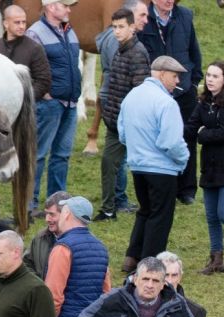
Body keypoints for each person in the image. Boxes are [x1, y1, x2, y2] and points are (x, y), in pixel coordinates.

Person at [118, 56, 190, 273]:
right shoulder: (166, 103)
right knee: (160, 217)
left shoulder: (131, 97)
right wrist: (184, 157)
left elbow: (122, 134)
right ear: (161, 74)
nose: (177, 81)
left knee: (145, 211)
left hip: (137, 166)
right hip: (162, 169)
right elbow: (171, 142)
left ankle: (132, 256)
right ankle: (149, 265)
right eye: (174, 76)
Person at [185, 60, 224, 275]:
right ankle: (216, 259)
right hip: (210, 166)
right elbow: (191, 128)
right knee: (212, 216)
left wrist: (204, 134)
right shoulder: (204, 103)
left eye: (215, 76)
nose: (210, 80)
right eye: (208, 75)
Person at [138, 0, 203, 204]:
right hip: (155, 90)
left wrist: (194, 81)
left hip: (183, 89)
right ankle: (162, 184)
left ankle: (187, 189)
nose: (168, 1)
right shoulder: (143, 17)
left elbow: (194, 49)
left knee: (187, 136)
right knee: (157, 137)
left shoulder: (184, 15)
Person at [26, 0, 81, 216]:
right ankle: (30, 203)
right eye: (65, 5)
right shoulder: (35, 33)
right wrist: (44, 94)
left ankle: (56, 203)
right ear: (50, 7)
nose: (69, 9)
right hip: (50, 104)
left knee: (62, 155)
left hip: (70, 102)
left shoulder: (69, 31)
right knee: (39, 154)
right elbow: (27, 68)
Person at [95, 6, 149, 222]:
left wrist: (126, 121)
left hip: (127, 123)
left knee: (125, 164)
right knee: (110, 164)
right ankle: (110, 207)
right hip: (113, 120)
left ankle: (112, 208)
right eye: (114, 27)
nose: (116, 31)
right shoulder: (119, 49)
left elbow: (139, 91)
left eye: (121, 27)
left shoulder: (138, 53)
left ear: (132, 27)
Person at [44, 196, 112, 317]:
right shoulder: (101, 248)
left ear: (67, 214)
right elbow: (106, 292)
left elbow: (53, 297)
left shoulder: (63, 248)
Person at [0, 5, 52, 101]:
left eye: (24, 22)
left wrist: (23, 99)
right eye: (17, 22)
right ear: (6, 24)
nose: (22, 26)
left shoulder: (34, 48)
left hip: (25, 107)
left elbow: (43, 81)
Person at [23, 191, 72, 278]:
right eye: (46, 214)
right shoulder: (40, 238)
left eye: (52, 214)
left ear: (66, 215)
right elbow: (26, 264)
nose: (47, 219)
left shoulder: (82, 242)